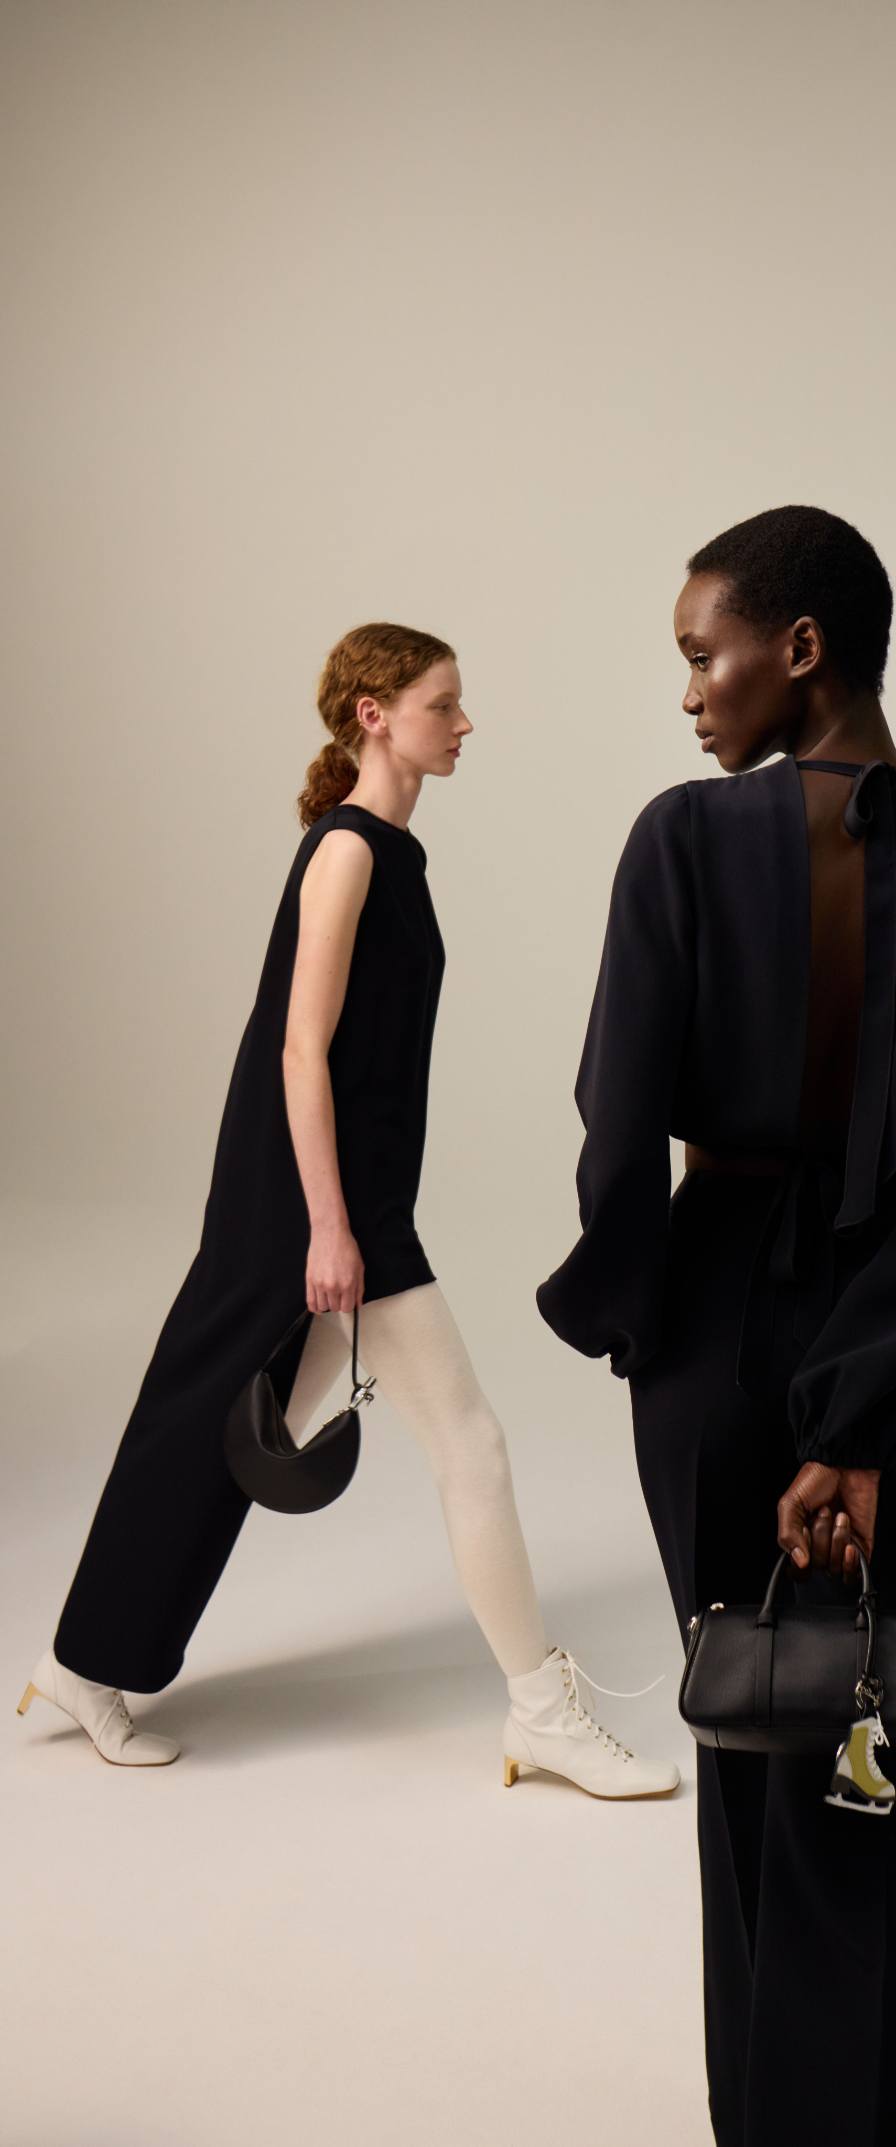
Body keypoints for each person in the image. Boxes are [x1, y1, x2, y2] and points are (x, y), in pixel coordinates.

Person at [537, 507, 896, 2147]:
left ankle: (767, 2116)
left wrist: (635, 1311)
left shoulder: (684, 840)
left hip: (713, 1334)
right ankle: (883, 2114)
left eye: (704, 652)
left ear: (802, 645)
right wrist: (864, 1415)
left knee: (756, 1721)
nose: (691, 689)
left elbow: (618, 1123)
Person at [18, 622, 677, 1797]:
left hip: (346, 1196)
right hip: (320, 1203)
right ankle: (541, 1711)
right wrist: (328, 1226)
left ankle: (83, 1664)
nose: (465, 723)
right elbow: (299, 1048)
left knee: (221, 1430)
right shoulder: (347, 850)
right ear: (374, 714)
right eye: (443, 702)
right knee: (467, 1441)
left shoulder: (392, 854)